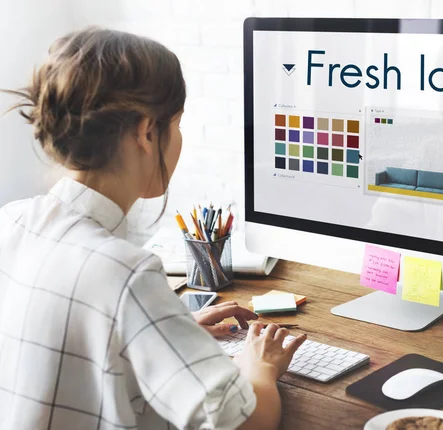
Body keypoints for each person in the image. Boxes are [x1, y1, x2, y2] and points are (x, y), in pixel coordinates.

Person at [0, 27, 306, 430]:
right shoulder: (126, 273)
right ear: (146, 132)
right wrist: (259, 367)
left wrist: (165, 330)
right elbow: (246, 422)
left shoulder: (11, 221)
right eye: (176, 124)